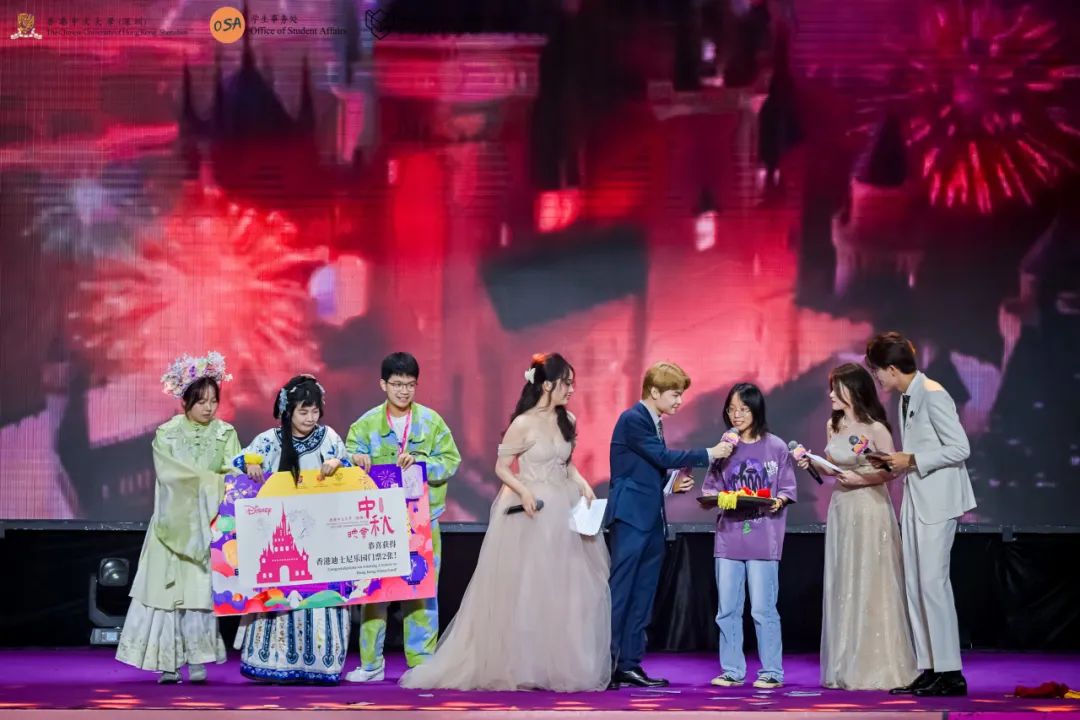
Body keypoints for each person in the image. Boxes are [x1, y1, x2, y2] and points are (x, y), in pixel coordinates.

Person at [400, 353, 610, 691]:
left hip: (562, 509)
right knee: (527, 587)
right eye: (566, 383)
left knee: (564, 588)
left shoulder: (567, 419)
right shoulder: (523, 423)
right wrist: (523, 491)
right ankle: (523, 665)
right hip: (530, 511)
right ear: (547, 385)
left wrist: (583, 483)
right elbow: (502, 468)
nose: (571, 389)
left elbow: (567, 463)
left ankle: (555, 664)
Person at [116, 352, 240, 684]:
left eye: (214, 401)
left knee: (198, 595)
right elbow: (169, 476)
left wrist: (227, 481)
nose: (209, 408)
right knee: (165, 596)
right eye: (201, 401)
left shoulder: (225, 433)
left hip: (206, 526)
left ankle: (197, 660)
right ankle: (167, 663)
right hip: (170, 526)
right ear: (185, 401)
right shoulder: (166, 433)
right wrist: (209, 481)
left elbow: (233, 473)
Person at [866, 332, 976, 697]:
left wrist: (911, 459)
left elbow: (960, 447)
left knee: (932, 583)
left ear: (891, 368)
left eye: (877, 370)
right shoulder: (907, 397)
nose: (876, 378)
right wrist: (895, 462)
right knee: (915, 584)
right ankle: (929, 668)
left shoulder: (932, 393)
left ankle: (950, 672)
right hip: (916, 498)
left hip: (938, 501)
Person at [606, 362, 728, 689]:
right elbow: (660, 457)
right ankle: (606, 663)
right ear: (654, 391)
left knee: (643, 595)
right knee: (622, 592)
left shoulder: (653, 422)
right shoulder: (633, 419)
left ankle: (628, 664)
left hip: (651, 520)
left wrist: (670, 485)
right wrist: (709, 453)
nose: (679, 401)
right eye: (674, 394)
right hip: (631, 519)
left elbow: (646, 469)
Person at [344, 352, 461, 683]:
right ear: (383, 384)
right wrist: (356, 459)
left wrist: (422, 465)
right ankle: (371, 664)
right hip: (377, 522)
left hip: (422, 520)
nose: (403, 391)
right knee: (374, 591)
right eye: (397, 384)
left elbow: (451, 461)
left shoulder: (431, 422)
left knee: (422, 590)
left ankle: (422, 663)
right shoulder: (365, 425)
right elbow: (346, 461)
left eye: (410, 384)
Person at [798, 363, 916, 690]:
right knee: (844, 576)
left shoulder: (876, 428)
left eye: (836, 388)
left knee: (871, 578)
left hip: (870, 507)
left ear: (854, 390)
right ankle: (844, 662)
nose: (830, 395)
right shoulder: (833, 425)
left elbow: (892, 470)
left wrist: (862, 479)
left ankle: (876, 664)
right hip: (841, 506)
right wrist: (814, 464)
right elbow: (834, 469)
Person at [232, 375, 353, 684]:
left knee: (321, 597)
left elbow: (351, 470)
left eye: (315, 411)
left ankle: (322, 664)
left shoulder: (329, 438)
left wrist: (339, 465)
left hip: (322, 537)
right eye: (303, 411)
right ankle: (274, 663)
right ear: (288, 411)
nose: (311, 418)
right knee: (281, 596)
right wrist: (249, 465)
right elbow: (237, 465)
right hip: (279, 533)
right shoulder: (269, 440)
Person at [701, 383, 796, 689]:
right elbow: (710, 490)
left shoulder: (776, 447)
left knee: (763, 609)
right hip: (728, 538)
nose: (736, 415)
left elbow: (787, 488)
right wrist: (719, 498)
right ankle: (732, 670)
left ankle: (771, 671)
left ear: (756, 410)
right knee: (727, 609)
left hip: (764, 539)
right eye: (731, 409)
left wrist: (778, 501)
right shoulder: (723, 448)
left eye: (743, 408)